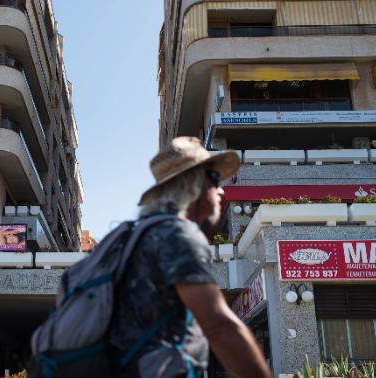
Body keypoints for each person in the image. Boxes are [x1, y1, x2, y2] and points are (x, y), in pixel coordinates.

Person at [109, 136, 273, 378]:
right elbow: (219, 326)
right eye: (214, 178)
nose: (220, 190)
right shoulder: (177, 235)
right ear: (193, 184)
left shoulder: (129, 239)